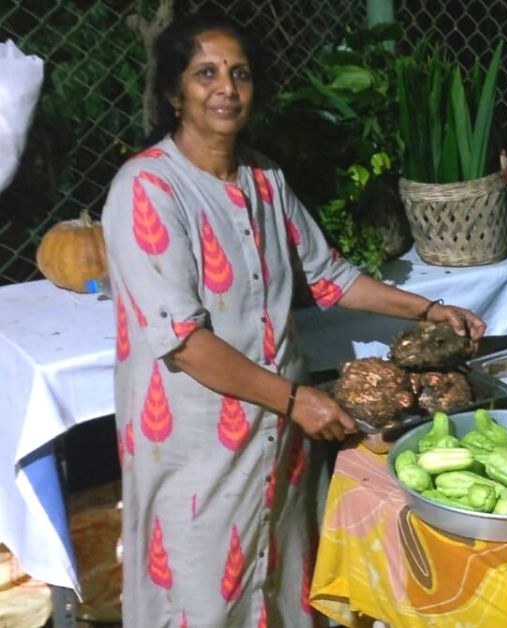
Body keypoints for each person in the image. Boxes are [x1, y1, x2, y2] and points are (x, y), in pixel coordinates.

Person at [101, 13, 486, 626]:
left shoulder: (265, 177)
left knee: (278, 578)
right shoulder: (147, 188)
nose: (226, 87)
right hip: (197, 442)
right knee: (200, 590)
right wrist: (296, 400)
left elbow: (328, 275)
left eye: (240, 74)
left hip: (277, 437)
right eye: (206, 73)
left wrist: (432, 310)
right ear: (176, 94)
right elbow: (184, 343)